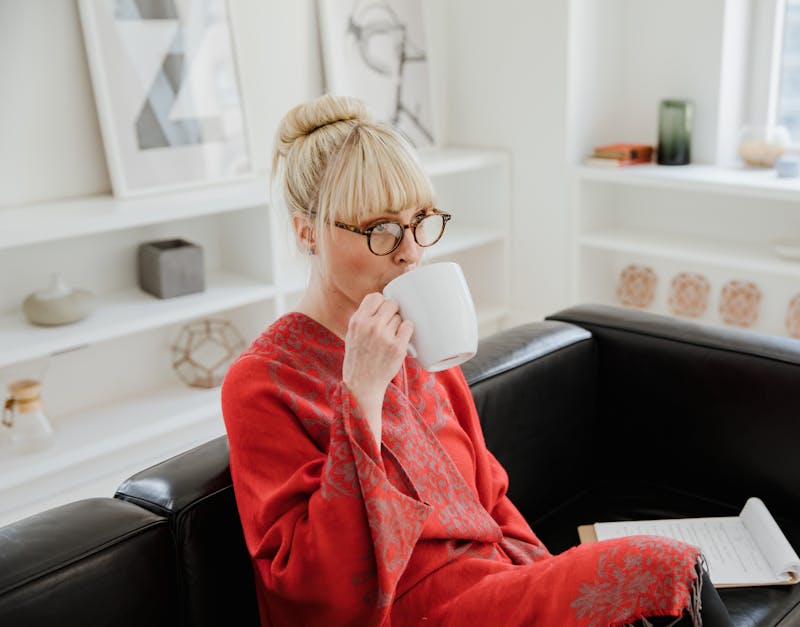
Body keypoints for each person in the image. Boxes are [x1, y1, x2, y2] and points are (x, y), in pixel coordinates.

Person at [221, 94, 732, 626]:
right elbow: (310, 589)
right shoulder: (262, 382)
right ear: (308, 232)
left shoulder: (423, 343)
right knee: (662, 567)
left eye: (420, 221)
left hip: (497, 591)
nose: (410, 251)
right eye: (381, 229)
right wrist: (361, 398)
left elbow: (491, 499)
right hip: (411, 614)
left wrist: (546, 573)